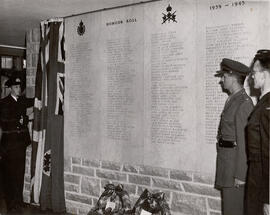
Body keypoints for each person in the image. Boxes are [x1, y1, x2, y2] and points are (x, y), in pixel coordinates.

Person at [214, 58, 254, 215]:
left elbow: (245, 142)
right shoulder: (232, 100)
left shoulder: (244, 103)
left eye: (223, 76)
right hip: (227, 166)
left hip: (234, 172)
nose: (222, 80)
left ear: (232, 77)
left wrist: (240, 175)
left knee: (233, 211)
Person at [0, 75, 34, 213]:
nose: (18, 89)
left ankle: (19, 201)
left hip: (20, 144)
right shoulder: (4, 103)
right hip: (9, 145)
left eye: (20, 87)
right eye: (15, 87)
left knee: (20, 173)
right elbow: (5, 121)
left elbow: (33, 101)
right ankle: (10, 204)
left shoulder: (21, 101)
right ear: (10, 88)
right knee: (9, 175)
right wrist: (23, 119)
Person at [246, 49, 270, 215]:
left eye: (254, 72)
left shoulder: (267, 107)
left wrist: (268, 198)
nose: (251, 76)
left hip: (262, 181)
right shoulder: (263, 103)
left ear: (265, 74)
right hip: (257, 176)